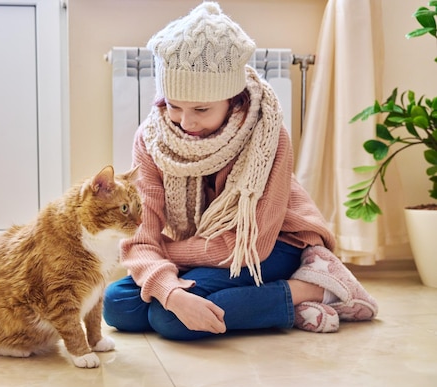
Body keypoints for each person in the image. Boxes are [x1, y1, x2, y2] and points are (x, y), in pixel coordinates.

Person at [103, 1, 378, 341]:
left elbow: (252, 244)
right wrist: (171, 290)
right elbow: (142, 237)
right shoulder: (152, 138)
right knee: (118, 305)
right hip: (204, 247)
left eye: (201, 109)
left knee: (169, 320)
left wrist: (167, 257)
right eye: (174, 105)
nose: (186, 122)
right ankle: (287, 301)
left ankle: (316, 288)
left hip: (274, 243)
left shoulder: (267, 133)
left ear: (232, 98)